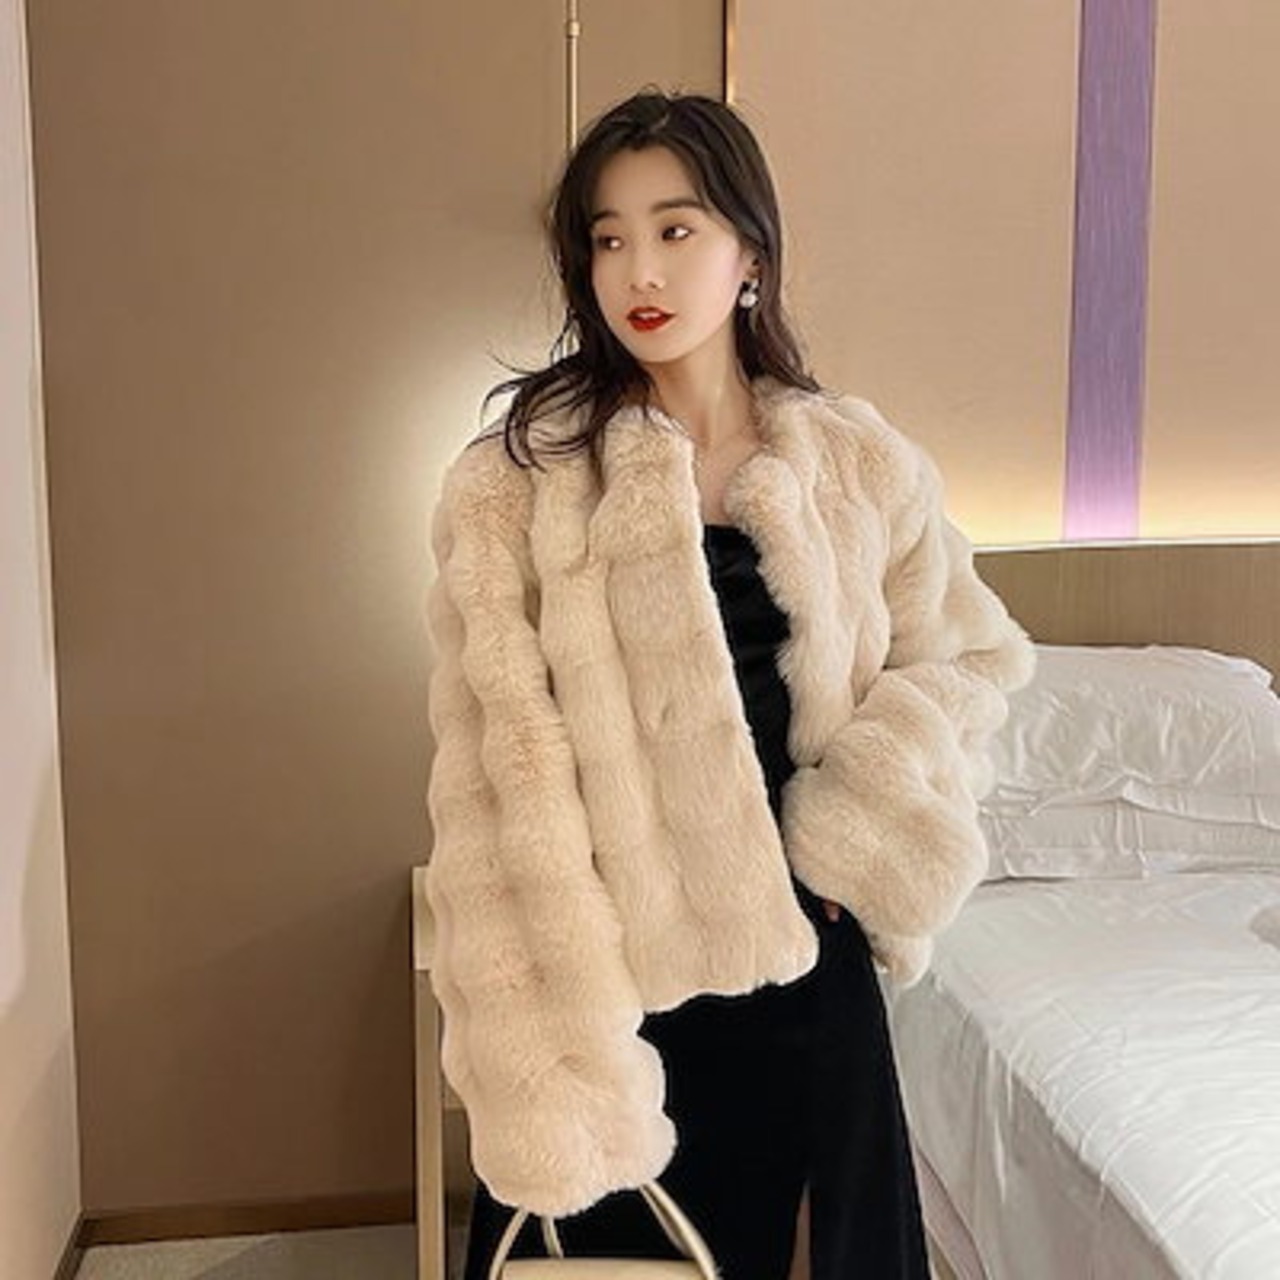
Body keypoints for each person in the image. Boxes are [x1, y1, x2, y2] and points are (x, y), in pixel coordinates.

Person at [423, 90, 1034, 1280]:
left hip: (809, 960)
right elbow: (497, 776)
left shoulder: (854, 463)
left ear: (749, 251)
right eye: (606, 237)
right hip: (617, 981)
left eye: (675, 227)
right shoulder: (517, 481)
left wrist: (851, 835)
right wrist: (548, 1048)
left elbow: (968, 659)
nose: (638, 269)